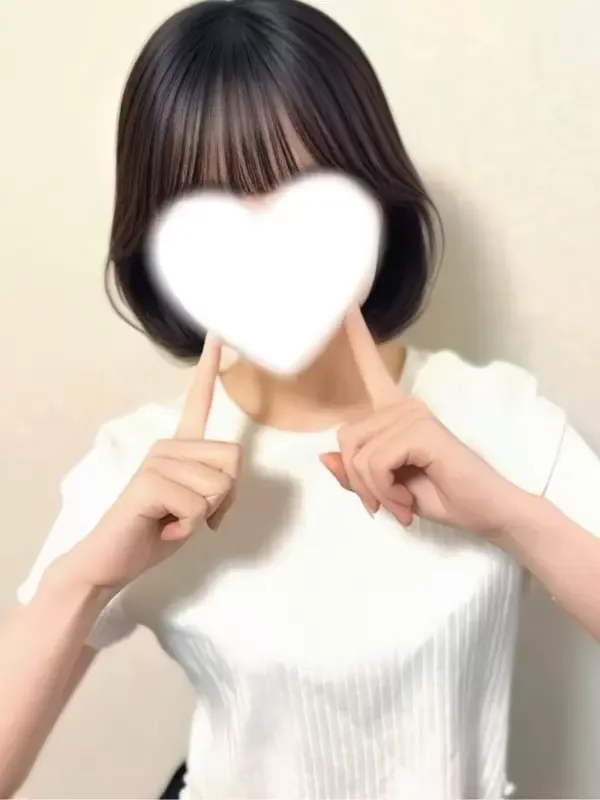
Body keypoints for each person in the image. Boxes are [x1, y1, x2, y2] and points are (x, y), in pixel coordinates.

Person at [2, 1, 600, 798]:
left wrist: (509, 514)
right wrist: (82, 580)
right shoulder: (138, 470)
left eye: (308, 189)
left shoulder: (495, 415)